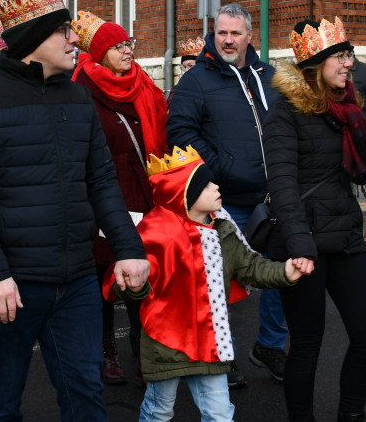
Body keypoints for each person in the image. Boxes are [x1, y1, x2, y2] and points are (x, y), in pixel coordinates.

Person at [0, 0, 149, 421]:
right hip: (12, 283)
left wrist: (128, 249)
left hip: (76, 281)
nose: (76, 39)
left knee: (86, 397)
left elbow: (101, 182)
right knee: (3, 399)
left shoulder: (77, 98)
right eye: (63, 30)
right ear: (35, 39)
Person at [106, 145, 305, 421]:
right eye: (205, 184)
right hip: (166, 345)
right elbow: (125, 285)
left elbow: (250, 267)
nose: (215, 187)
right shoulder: (156, 234)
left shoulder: (223, 228)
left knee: (220, 414)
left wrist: (285, 271)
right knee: (158, 412)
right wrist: (136, 286)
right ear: (182, 194)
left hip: (211, 343)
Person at [264, 17, 366, 422]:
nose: (348, 64)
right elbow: (283, 185)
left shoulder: (347, 107)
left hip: (344, 236)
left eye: (348, 55)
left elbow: (362, 171)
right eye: (340, 56)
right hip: (302, 244)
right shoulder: (284, 112)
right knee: (307, 343)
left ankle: (350, 415)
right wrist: (300, 246)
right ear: (316, 65)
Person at [166, 3, 285, 385]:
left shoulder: (268, 76)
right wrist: (222, 167)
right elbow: (180, 133)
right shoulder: (196, 80)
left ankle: (270, 345)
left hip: (271, 199)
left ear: (250, 36)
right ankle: (223, 353)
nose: (228, 40)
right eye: (221, 33)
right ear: (212, 35)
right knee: (221, 283)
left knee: (280, 275)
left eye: (235, 33)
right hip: (224, 199)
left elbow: (285, 126)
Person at [72, 10, 167, 383]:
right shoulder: (83, 89)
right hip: (103, 194)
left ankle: (144, 351)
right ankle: (106, 351)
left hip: (143, 192)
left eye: (128, 43)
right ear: (99, 52)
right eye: (116, 46)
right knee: (103, 277)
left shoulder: (144, 84)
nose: (127, 51)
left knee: (140, 275)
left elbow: (160, 134)